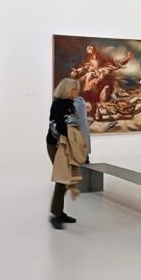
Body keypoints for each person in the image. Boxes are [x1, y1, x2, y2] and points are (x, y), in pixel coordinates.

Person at [46, 78, 81, 230]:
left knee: (64, 178)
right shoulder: (59, 104)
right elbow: (61, 127)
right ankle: (57, 214)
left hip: (66, 144)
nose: (77, 92)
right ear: (68, 90)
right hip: (57, 145)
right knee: (63, 178)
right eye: (75, 90)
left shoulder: (70, 104)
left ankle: (58, 212)